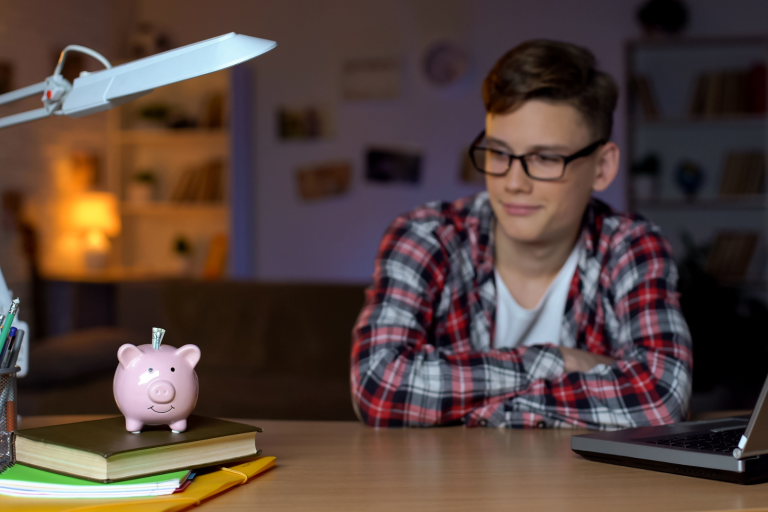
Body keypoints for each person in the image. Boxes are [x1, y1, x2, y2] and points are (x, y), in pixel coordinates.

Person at [350, 39, 692, 429]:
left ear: (602, 166)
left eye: (545, 158)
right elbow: (378, 386)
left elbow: (661, 399)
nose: (513, 182)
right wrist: (561, 361)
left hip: (584, 489)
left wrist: (482, 413)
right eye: (498, 153)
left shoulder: (631, 246)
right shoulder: (426, 237)